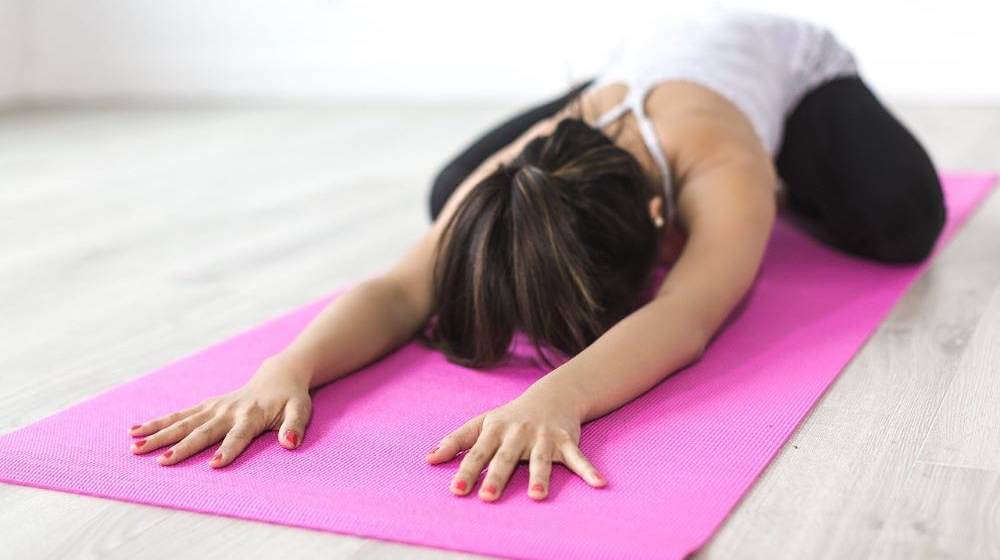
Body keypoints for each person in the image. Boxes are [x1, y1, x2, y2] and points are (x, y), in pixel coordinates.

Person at [126, 9, 945, 503]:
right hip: (633, 74)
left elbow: (688, 315)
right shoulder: (528, 160)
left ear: (666, 226)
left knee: (906, 221)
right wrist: (285, 370)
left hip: (786, 69)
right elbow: (398, 289)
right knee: (457, 195)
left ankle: (796, 177)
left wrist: (558, 397)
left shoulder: (725, 169)